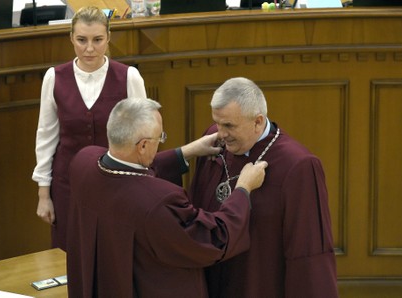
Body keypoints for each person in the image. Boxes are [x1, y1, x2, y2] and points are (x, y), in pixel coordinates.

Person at [66, 98, 268, 297]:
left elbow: (128, 170)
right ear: (143, 146)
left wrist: (184, 153)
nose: (161, 143)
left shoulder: (83, 162)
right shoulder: (158, 203)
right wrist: (243, 189)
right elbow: (214, 240)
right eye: (159, 138)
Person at [189, 77, 339, 297]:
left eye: (229, 125)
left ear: (258, 121)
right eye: (217, 123)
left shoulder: (299, 167)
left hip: (259, 283)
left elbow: (309, 255)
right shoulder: (214, 144)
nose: (220, 134)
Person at [31, 6, 147, 250]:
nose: (89, 48)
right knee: (68, 254)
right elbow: (46, 138)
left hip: (117, 185)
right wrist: (44, 195)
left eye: (97, 40)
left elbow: (144, 136)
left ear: (108, 38)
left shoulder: (129, 77)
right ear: (71, 38)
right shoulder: (54, 77)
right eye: (82, 40)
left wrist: (141, 187)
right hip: (67, 185)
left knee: (113, 253)